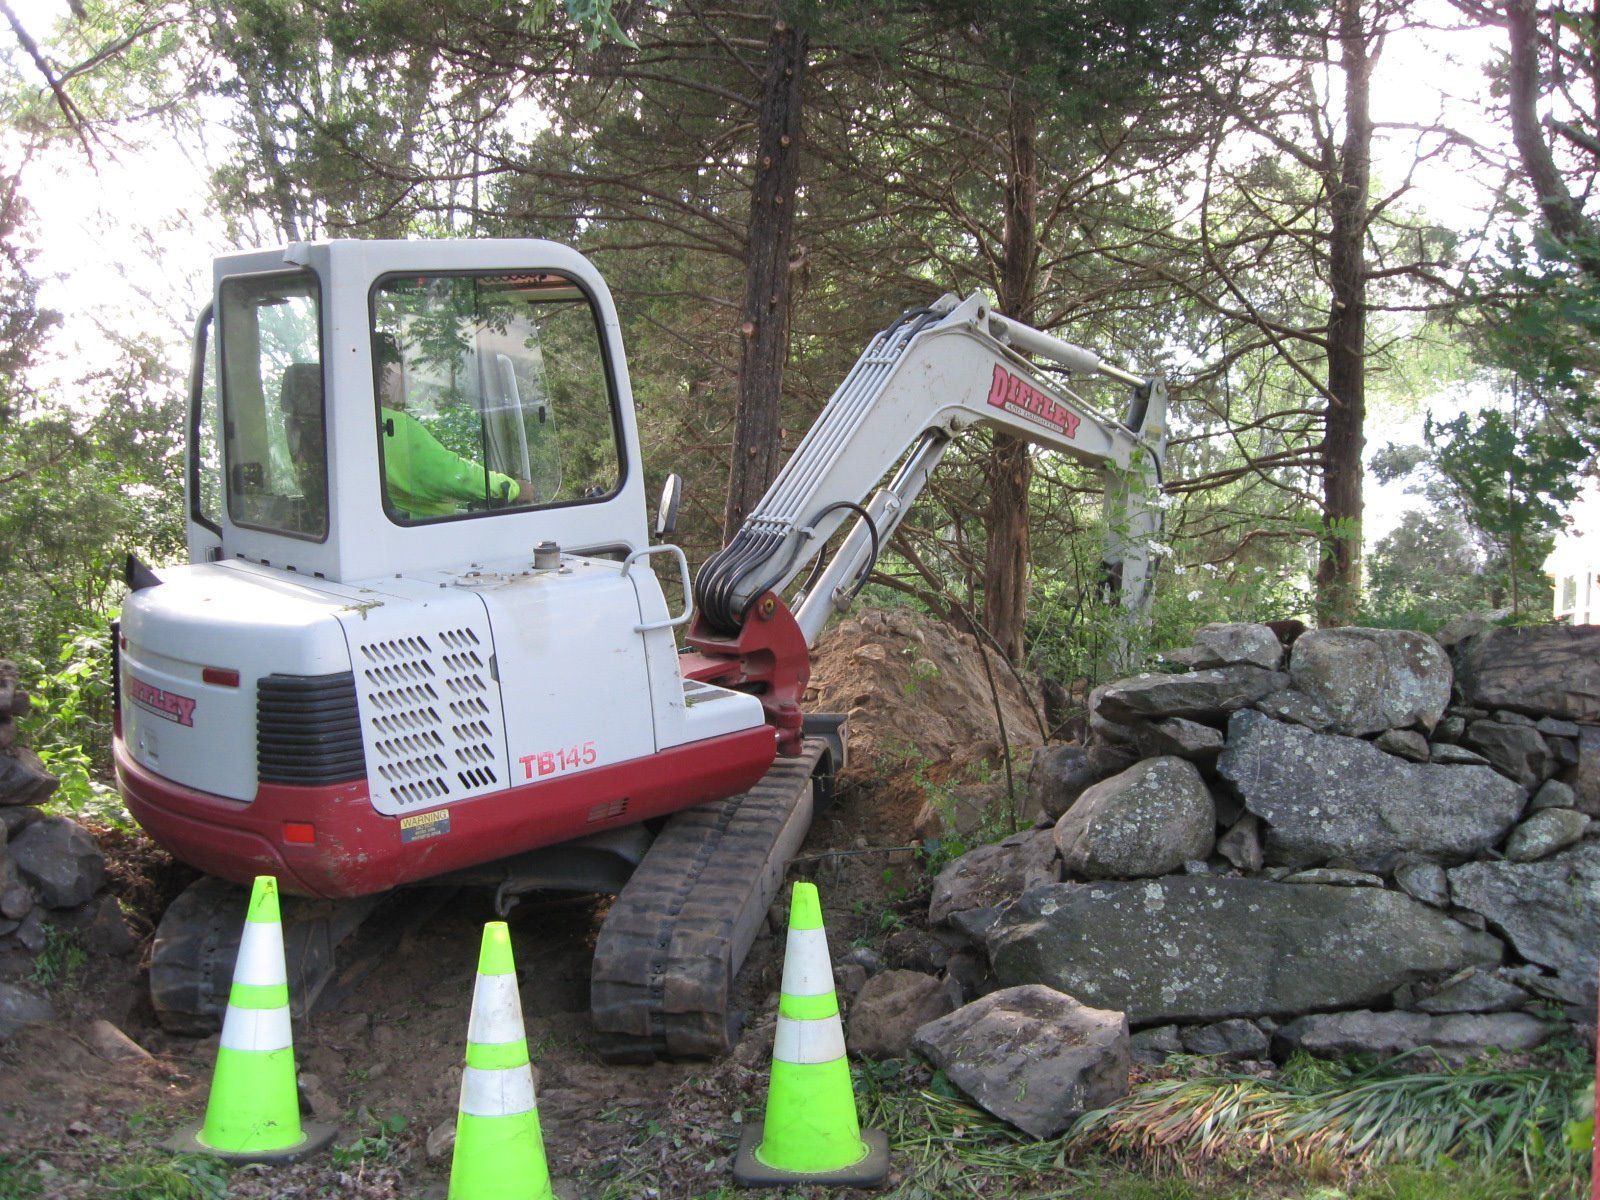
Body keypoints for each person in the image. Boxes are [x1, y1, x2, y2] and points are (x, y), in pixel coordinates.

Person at [375, 333, 533, 519]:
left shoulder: (369, 423)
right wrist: (512, 488)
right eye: (400, 369)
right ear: (383, 375)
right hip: (422, 535)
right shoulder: (390, 426)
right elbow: (450, 475)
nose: (408, 379)